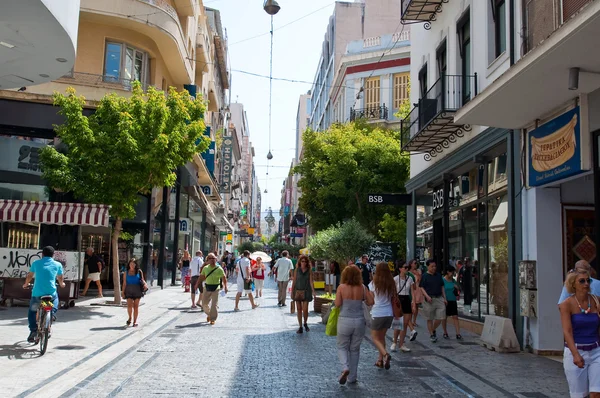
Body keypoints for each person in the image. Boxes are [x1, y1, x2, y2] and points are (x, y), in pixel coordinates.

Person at [559, 268, 600, 398]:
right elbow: (567, 331)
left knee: (596, 393)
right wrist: (576, 354)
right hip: (575, 350)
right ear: (573, 284)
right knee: (579, 395)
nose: (586, 284)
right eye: (582, 281)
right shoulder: (566, 304)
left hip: (596, 351)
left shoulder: (597, 301)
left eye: (588, 281)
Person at [335, 265, 374, 385]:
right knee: (355, 349)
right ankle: (352, 377)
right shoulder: (362, 287)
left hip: (344, 320)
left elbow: (337, 304)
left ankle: (345, 367)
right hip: (359, 321)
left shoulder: (341, 287)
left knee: (342, 346)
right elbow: (371, 302)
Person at [23, 246, 66, 343]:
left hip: (37, 293)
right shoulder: (57, 264)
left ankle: (33, 331)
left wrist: (26, 284)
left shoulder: (36, 263)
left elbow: (30, 275)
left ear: (42, 254)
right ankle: (52, 314)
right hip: (50, 293)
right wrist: (62, 284)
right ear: (53, 254)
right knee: (55, 300)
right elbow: (60, 277)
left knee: (32, 312)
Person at [369, 262, 396, 370]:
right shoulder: (392, 282)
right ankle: (380, 360)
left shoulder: (373, 283)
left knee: (375, 338)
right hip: (389, 313)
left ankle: (385, 354)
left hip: (377, 312)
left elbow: (371, 299)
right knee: (381, 337)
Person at [391, 262, 418, 352]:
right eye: (405, 267)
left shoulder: (410, 278)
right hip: (398, 300)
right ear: (400, 269)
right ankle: (394, 342)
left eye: (407, 267)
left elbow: (412, 292)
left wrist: (413, 303)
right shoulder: (395, 279)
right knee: (398, 323)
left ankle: (401, 344)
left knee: (405, 324)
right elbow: (393, 292)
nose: (407, 269)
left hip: (406, 299)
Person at [420, 259, 447, 343]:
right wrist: (427, 296)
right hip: (429, 299)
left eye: (435, 266)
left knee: (441, 317)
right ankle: (432, 334)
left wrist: (444, 298)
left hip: (439, 298)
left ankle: (433, 329)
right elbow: (421, 287)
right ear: (428, 267)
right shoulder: (424, 276)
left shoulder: (438, 276)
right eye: (432, 266)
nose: (434, 268)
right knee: (430, 318)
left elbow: (442, 287)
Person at [199, 253, 228, 325]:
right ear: (208, 260)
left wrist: (225, 287)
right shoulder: (206, 268)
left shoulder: (219, 268)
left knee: (214, 304)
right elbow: (201, 276)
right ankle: (209, 314)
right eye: (211, 259)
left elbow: (224, 278)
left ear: (216, 259)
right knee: (204, 304)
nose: (212, 260)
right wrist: (197, 284)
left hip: (216, 288)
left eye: (214, 258)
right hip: (207, 287)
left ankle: (213, 319)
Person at [291, 255, 315, 334]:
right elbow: (294, 281)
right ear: (300, 262)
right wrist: (292, 291)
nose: (303, 263)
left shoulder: (309, 270)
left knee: (305, 309)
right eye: (302, 261)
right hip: (297, 290)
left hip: (306, 291)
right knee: (298, 309)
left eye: (305, 261)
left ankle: (305, 323)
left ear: (307, 262)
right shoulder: (297, 270)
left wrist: (313, 291)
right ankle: (300, 326)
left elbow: (311, 282)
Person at [121, 258, 147, 327]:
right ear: (129, 264)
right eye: (131, 264)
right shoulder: (126, 273)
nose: (132, 265)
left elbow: (143, 280)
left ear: (136, 265)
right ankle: (130, 317)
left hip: (137, 290)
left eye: (133, 264)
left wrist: (145, 284)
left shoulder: (139, 271)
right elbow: (124, 283)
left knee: (136, 307)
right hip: (128, 290)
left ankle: (135, 321)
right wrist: (123, 292)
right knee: (129, 306)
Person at [442, 265, 462, 340]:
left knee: (455, 317)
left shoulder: (453, 280)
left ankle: (458, 333)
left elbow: (458, 288)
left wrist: (457, 290)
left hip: (453, 300)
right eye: (452, 272)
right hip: (445, 301)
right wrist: (443, 299)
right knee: (444, 317)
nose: (452, 274)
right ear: (448, 272)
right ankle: (445, 332)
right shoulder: (442, 280)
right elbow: (441, 290)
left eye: (453, 272)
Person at [409, 259, 424, 327]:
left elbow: (421, 280)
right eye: (414, 263)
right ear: (411, 264)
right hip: (411, 289)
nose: (416, 264)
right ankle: (410, 320)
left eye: (416, 263)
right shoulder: (408, 272)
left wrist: (417, 274)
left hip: (417, 289)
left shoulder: (419, 271)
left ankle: (414, 321)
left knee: (416, 305)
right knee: (411, 305)